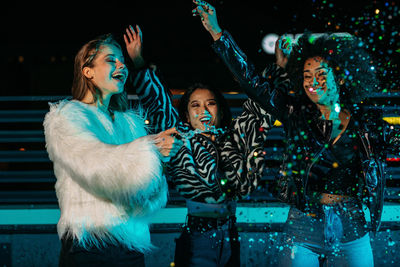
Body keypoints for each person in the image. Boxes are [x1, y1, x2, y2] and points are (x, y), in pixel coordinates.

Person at [192, 0, 399, 266]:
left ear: (342, 77)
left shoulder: (367, 123)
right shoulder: (294, 114)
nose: (313, 82)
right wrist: (217, 33)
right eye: (307, 75)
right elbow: (252, 82)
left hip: (352, 227)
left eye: (322, 74)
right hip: (303, 227)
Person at [124, 25, 275, 266]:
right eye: (195, 105)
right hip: (198, 237)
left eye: (210, 104)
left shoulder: (232, 136)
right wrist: (139, 61)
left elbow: (261, 100)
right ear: (186, 114)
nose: (204, 111)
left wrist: (275, 70)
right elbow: (157, 101)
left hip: (231, 234)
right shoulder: (181, 135)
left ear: (220, 109)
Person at [43, 31, 182, 267]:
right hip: (89, 245)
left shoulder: (129, 122)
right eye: (111, 60)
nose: (121, 66)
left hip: (130, 247)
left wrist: (159, 161)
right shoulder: (66, 117)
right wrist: (151, 150)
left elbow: (148, 189)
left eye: (122, 61)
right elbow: (98, 169)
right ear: (87, 71)